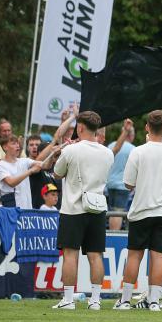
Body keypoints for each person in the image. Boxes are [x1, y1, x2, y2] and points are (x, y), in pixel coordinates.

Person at [114, 110, 162, 312]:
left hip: (142, 209)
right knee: (159, 256)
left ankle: (125, 301)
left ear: (146, 127)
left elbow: (127, 184)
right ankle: (154, 301)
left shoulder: (138, 151)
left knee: (135, 255)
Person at [51, 110, 114, 310]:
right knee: (96, 255)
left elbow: (57, 173)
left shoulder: (71, 150)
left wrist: (68, 150)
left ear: (79, 128)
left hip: (73, 208)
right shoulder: (107, 152)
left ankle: (68, 300)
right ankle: (95, 299)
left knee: (70, 255)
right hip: (97, 208)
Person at [0, 137, 43, 209]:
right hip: (12, 206)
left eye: (18, 143)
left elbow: (44, 165)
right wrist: (30, 171)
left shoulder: (24, 161)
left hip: (27, 208)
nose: (17, 146)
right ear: (5, 147)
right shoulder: (0, 165)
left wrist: (53, 154)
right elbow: (11, 182)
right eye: (14, 143)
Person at [106, 118, 136, 231]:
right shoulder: (133, 149)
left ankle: (111, 233)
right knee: (118, 212)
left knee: (111, 211)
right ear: (131, 135)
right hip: (122, 186)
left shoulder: (111, 145)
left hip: (110, 184)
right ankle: (115, 234)